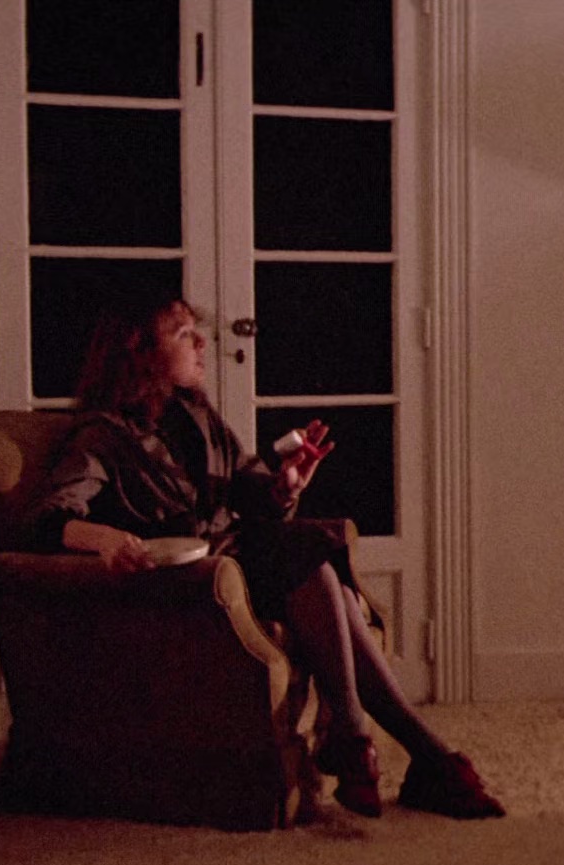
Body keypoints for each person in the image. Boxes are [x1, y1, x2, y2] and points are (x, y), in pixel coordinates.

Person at [27, 293, 504, 821]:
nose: (202, 342)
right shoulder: (102, 437)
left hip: (241, 565)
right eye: (183, 334)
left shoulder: (197, 414)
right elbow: (49, 518)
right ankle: (395, 749)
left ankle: (391, 748)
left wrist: (284, 486)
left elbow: (247, 487)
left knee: (327, 579)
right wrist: (106, 539)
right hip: (191, 586)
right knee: (310, 559)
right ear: (139, 351)